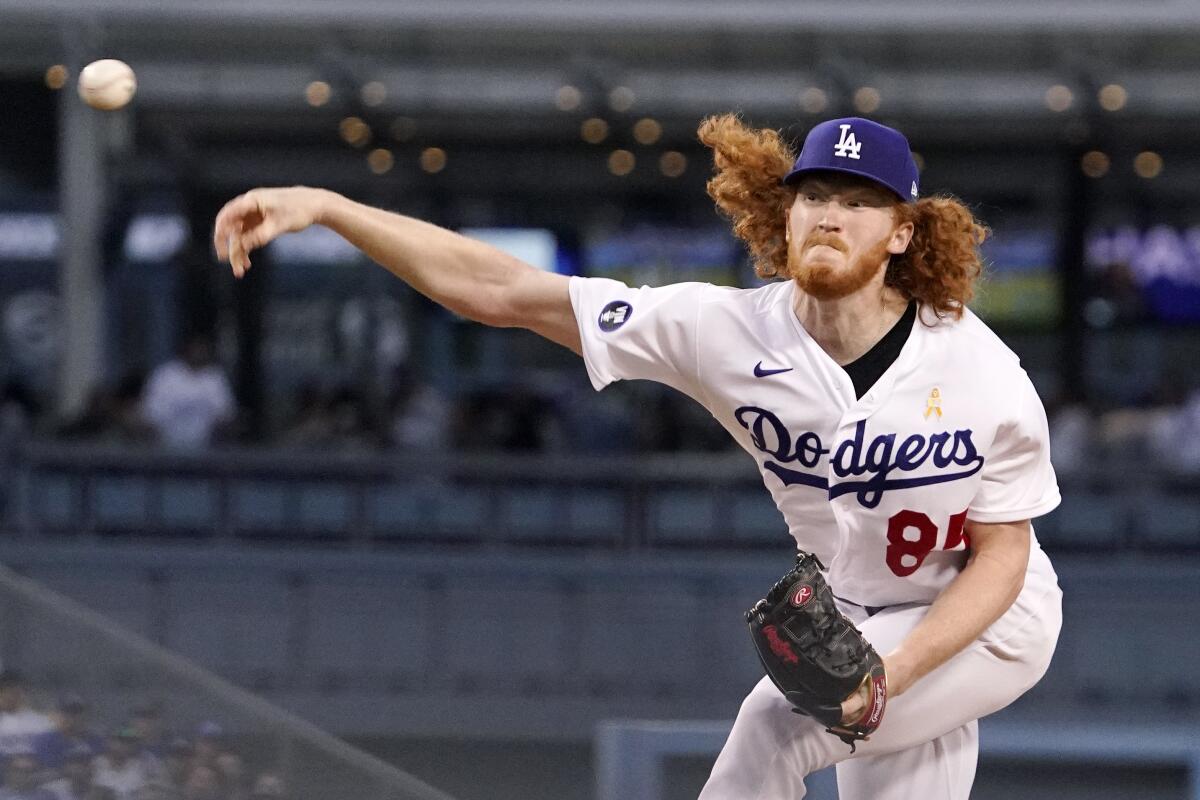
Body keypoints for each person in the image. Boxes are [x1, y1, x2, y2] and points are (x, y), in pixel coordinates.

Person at [213, 114, 1062, 800]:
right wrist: (328, 206)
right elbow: (501, 293)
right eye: (814, 194)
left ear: (905, 233)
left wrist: (894, 671)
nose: (830, 213)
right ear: (786, 212)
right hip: (861, 624)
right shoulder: (725, 330)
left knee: (771, 728)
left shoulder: (979, 368)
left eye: (860, 200)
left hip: (991, 621)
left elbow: (1005, 557)